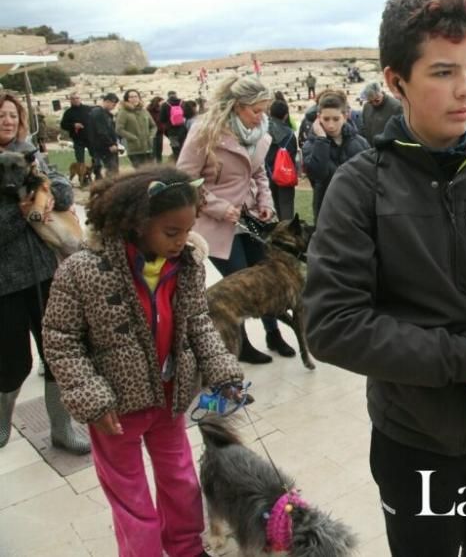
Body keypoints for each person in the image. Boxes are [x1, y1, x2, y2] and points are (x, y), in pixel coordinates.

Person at [304, 0, 466, 557]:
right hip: (413, 440)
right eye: (442, 72)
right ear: (395, 81)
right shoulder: (360, 186)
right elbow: (333, 325)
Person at [43, 166, 244, 557]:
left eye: (187, 231)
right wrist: (91, 398)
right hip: (114, 411)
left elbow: (198, 321)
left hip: (168, 401)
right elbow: (60, 340)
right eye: (172, 232)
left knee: (182, 481)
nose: (182, 241)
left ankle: (186, 547)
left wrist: (221, 370)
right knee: (130, 495)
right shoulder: (82, 271)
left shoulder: (185, 265)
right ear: (137, 223)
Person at [176, 75, 296, 363]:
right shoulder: (205, 133)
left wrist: (266, 203)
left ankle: (274, 333)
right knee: (240, 286)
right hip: (219, 223)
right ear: (237, 106)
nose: (262, 116)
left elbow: (259, 174)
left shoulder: (262, 134)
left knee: (269, 280)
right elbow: (184, 178)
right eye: (256, 110)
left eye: (265, 110)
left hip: (252, 220)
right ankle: (242, 345)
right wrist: (218, 207)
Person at [0, 91, 90, 454]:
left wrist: (49, 191)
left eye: (10, 114)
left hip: (47, 276)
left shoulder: (31, 155)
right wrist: (22, 210)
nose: (6, 120)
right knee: (12, 363)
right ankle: (2, 419)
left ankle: (61, 426)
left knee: (59, 352)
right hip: (5, 287)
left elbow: (66, 196)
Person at [301, 90, 368, 222]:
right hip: (327, 211)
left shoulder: (360, 143)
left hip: (357, 211)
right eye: (326, 119)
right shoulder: (311, 145)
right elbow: (317, 175)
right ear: (318, 117)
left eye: (336, 119)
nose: (331, 125)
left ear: (345, 115)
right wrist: (321, 139)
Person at [265, 97, 300, 221]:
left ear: (270, 112)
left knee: (273, 208)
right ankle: (287, 234)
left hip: (268, 174)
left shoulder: (263, 130)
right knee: (286, 207)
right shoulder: (290, 134)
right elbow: (292, 153)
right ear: (285, 116)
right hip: (284, 174)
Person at [115, 89, 156, 167]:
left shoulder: (144, 111)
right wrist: (133, 138)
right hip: (134, 148)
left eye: (136, 96)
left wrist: (151, 136)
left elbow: (153, 126)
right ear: (127, 99)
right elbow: (119, 129)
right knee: (141, 172)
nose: (134, 99)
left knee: (151, 171)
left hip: (148, 147)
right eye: (131, 97)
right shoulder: (123, 112)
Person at [358, 81, 403, 145]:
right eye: (370, 102)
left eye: (377, 100)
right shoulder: (367, 107)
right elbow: (364, 127)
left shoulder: (396, 107)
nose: (374, 104)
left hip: (388, 149)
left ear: (381, 92)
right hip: (370, 148)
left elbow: (400, 133)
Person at [87, 93, 121, 179]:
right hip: (104, 147)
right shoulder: (98, 113)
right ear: (107, 102)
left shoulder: (105, 114)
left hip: (103, 145)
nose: (114, 106)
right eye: (113, 104)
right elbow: (101, 131)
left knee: (111, 169)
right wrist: (110, 144)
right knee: (112, 170)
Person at [59, 91, 91, 164]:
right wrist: (73, 125)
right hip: (77, 139)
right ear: (70, 100)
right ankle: (82, 174)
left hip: (90, 137)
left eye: (77, 98)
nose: (75, 100)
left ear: (80, 99)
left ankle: (97, 173)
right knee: (80, 161)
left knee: (96, 158)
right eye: (73, 99)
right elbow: (63, 125)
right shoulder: (68, 112)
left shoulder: (88, 109)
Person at [159, 91, 187, 160]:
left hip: (171, 130)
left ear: (168, 96)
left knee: (175, 148)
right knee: (184, 147)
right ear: (176, 95)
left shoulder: (165, 105)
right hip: (183, 129)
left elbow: (162, 119)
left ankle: (178, 163)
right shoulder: (183, 103)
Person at [147, 96, 165, 163]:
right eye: (161, 102)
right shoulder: (149, 110)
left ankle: (159, 165)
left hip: (160, 132)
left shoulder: (161, 110)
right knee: (153, 151)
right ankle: (153, 165)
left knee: (159, 150)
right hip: (152, 133)